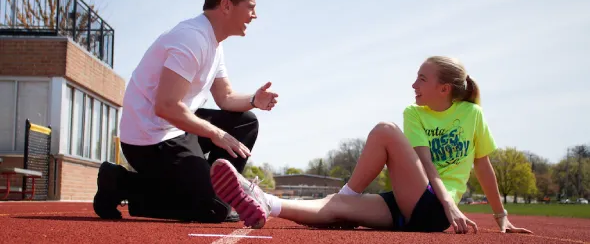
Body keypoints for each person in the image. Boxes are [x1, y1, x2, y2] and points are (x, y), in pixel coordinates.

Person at [209, 55, 533, 234]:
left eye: (422, 78)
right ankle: (264, 201)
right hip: (411, 203)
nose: (413, 84)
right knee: (335, 209)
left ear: (444, 88)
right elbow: (421, 161)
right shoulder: (415, 113)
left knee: (384, 131)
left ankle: (346, 194)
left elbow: (480, 165)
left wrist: (500, 215)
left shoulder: (472, 115)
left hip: (436, 208)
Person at [93, 0, 279, 223]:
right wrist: (216, 133)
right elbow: (166, 106)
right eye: (250, 8)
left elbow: (224, 97)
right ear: (226, 5)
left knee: (245, 121)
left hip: (174, 127)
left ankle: (221, 190)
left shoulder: (215, 44)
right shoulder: (192, 39)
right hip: (148, 137)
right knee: (214, 210)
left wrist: (254, 100)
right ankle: (119, 183)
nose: (254, 15)